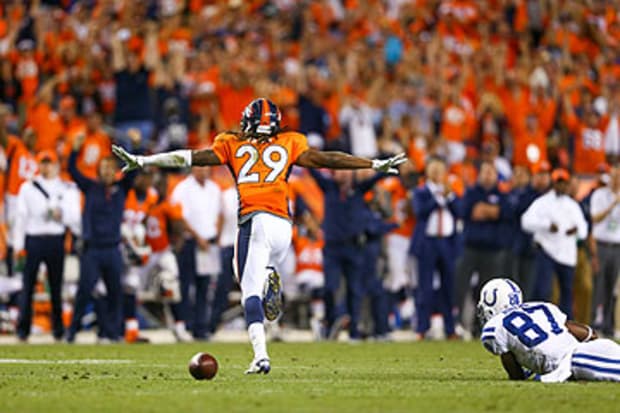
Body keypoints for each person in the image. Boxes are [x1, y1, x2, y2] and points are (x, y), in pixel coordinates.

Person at [113, 97, 405, 374]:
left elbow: (188, 157)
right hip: (283, 226)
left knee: (247, 290)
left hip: (254, 220)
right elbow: (327, 159)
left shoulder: (231, 143)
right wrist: (373, 164)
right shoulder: (290, 142)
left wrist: (144, 161)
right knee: (249, 271)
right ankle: (268, 278)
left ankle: (260, 354)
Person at [66, 132, 140, 343]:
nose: (108, 171)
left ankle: (113, 332)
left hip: (112, 248)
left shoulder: (121, 189)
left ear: (116, 172)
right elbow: (72, 170)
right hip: (92, 248)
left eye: (111, 168)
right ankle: (72, 331)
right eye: (104, 168)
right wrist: (75, 149)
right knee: (84, 291)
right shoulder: (91, 187)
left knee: (115, 291)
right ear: (99, 171)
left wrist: (136, 146)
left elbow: (135, 170)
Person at [478, 278, 620, 382]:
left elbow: (516, 376)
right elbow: (582, 332)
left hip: (575, 361)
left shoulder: (495, 328)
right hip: (591, 348)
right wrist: (594, 342)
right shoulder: (541, 306)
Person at [13, 150, 80, 342]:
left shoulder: (67, 187)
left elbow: (74, 217)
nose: (46, 166)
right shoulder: (28, 187)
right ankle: (23, 329)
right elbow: (21, 217)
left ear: (56, 164)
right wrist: (19, 246)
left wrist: (61, 215)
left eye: (49, 162)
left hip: (55, 239)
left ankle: (58, 329)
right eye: (42, 162)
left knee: (56, 286)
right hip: (33, 239)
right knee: (28, 287)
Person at [521, 169, 588, 319]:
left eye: (565, 183)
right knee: (542, 290)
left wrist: (576, 231)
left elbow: (583, 229)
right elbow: (525, 221)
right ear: (554, 184)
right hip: (547, 250)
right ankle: (538, 322)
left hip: (566, 253)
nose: (562, 187)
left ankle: (567, 327)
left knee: (567, 291)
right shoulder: (542, 202)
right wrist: (546, 225)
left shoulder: (573, 205)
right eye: (559, 183)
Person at [409, 157, 460, 339]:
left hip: (446, 242)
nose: (438, 173)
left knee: (448, 287)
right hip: (427, 243)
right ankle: (422, 328)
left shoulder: (450, 191)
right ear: (428, 171)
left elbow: (460, 212)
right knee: (425, 287)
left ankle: (450, 328)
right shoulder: (421, 192)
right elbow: (420, 212)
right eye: (434, 169)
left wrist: (450, 197)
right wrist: (438, 198)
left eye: (440, 169)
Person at [171, 166, 222, 340]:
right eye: (199, 167)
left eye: (205, 167)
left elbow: (219, 214)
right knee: (185, 286)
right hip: (189, 242)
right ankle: (185, 325)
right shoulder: (183, 188)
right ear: (193, 169)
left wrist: (216, 236)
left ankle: (201, 328)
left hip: (209, 243)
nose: (203, 171)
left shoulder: (214, 188)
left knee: (205, 286)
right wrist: (198, 237)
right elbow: (179, 217)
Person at [590, 164, 620, 336]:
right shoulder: (599, 195)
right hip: (601, 245)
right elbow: (595, 218)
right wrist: (612, 206)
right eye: (614, 177)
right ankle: (595, 322)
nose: (617, 181)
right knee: (598, 284)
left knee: (613, 287)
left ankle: (609, 324)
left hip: (617, 247)